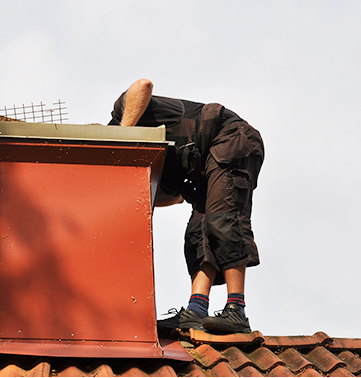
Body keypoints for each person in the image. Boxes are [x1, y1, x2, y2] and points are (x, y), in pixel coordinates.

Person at [108, 79, 264, 334]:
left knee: (222, 220)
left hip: (230, 137)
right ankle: (197, 310)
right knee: (198, 231)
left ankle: (237, 310)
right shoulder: (138, 165)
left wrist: (121, 136)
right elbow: (175, 197)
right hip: (204, 166)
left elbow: (143, 85)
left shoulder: (121, 119)